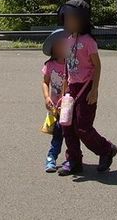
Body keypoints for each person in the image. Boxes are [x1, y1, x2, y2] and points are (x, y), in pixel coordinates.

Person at [56, 0, 117, 176]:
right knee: (67, 125)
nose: (68, 22)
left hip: (86, 87)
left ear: (81, 20)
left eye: (71, 19)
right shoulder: (68, 40)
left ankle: (106, 149)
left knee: (83, 127)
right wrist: (64, 91)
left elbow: (97, 66)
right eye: (66, 19)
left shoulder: (88, 41)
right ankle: (73, 160)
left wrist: (95, 89)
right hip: (72, 88)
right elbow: (67, 66)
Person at [40, 28, 67, 172]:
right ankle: (52, 157)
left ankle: (72, 157)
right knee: (58, 133)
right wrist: (46, 97)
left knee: (70, 133)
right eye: (59, 46)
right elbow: (45, 82)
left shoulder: (72, 64)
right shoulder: (50, 65)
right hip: (55, 107)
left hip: (69, 106)